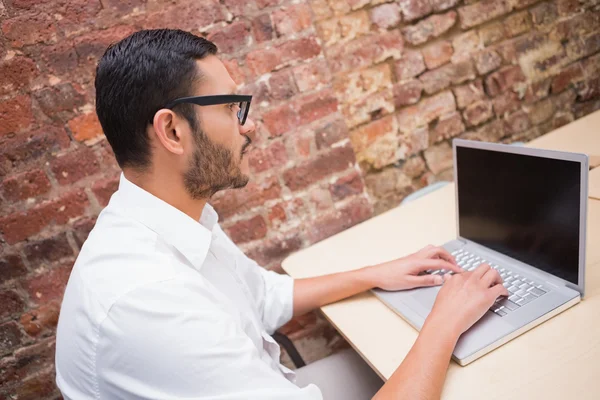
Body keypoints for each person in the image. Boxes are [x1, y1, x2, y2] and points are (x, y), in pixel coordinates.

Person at [55, 29, 508, 400]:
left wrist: (378, 273)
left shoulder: (169, 220)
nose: (249, 125)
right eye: (233, 108)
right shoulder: (150, 301)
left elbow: (263, 295)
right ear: (172, 130)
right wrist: (445, 321)